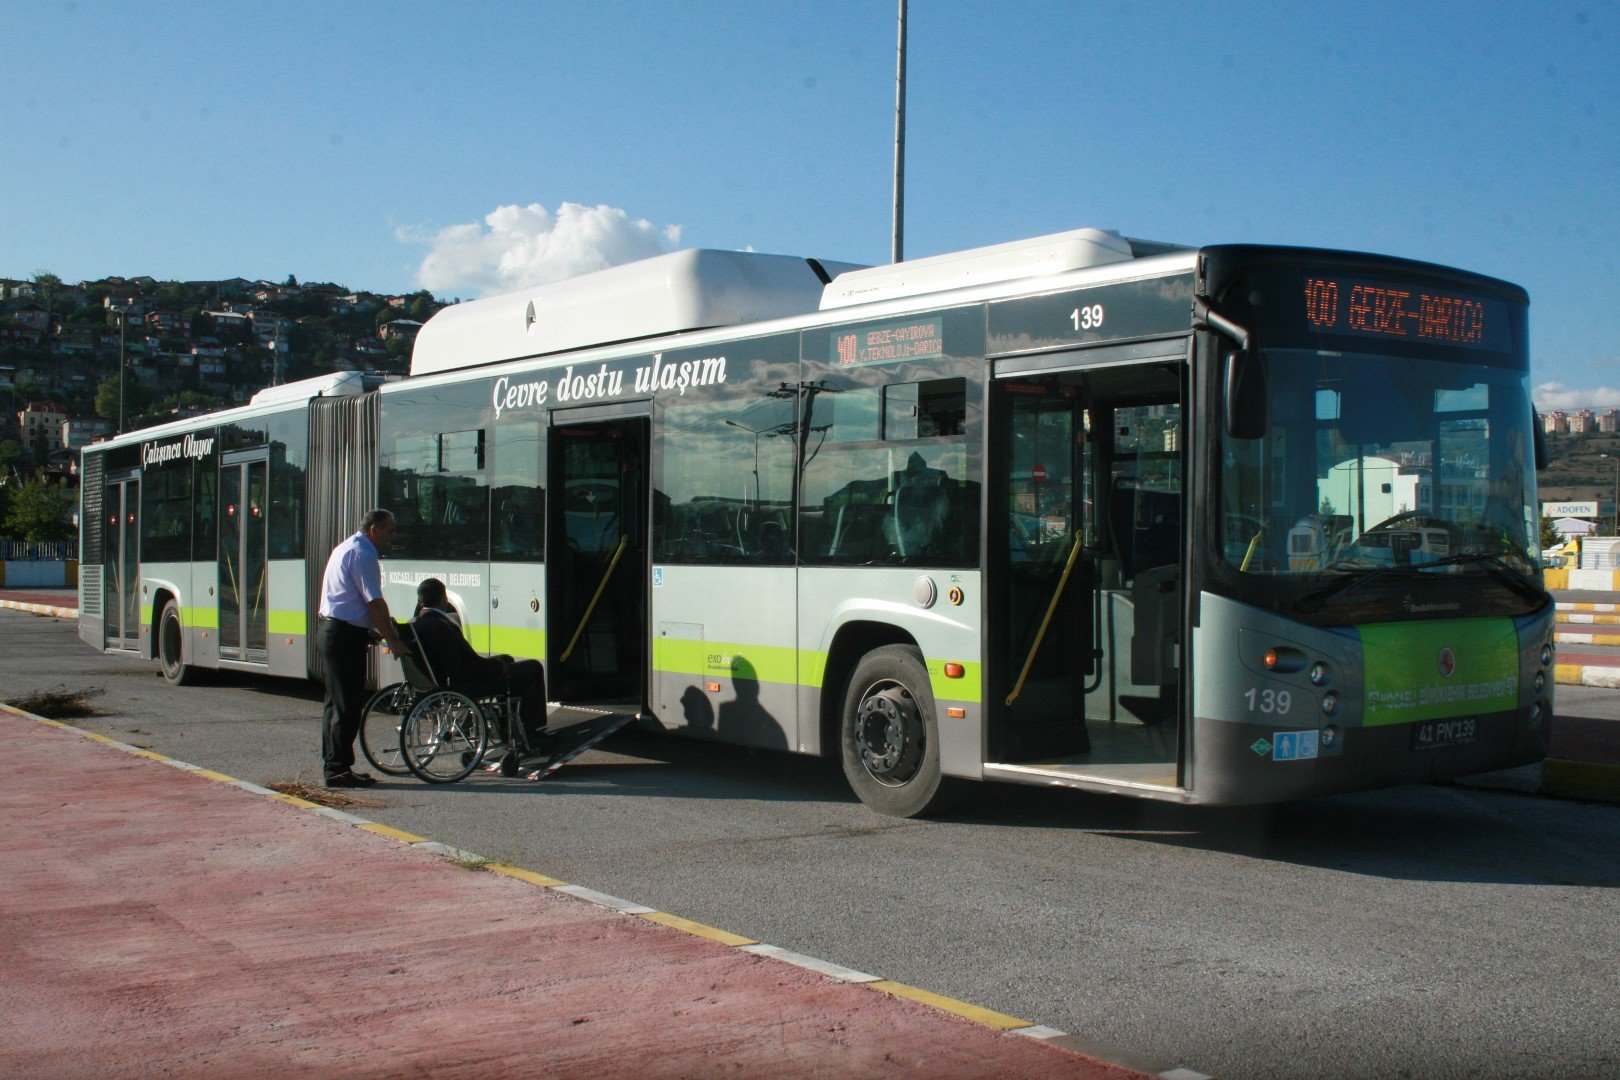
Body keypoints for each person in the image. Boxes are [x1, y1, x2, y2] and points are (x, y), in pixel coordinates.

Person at [410, 577, 547, 765]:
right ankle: (531, 733)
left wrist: (500, 663)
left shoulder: (418, 624)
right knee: (532, 668)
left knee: (506, 659)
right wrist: (497, 668)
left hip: (443, 681)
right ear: (443, 598)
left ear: (420, 601)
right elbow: (462, 669)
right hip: (466, 683)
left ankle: (509, 731)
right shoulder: (440, 626)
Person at [318, 508, 405, 788]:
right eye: (389, 530)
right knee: (347, 705)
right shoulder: (363, 554)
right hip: (343, 635)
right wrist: (392, 638)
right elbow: (374, 602)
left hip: (335, 631)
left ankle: (335, 765)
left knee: (335, 704)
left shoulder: (347, 547)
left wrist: (368, 630)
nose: (392, 537)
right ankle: (338, 770)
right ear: (374, 530)